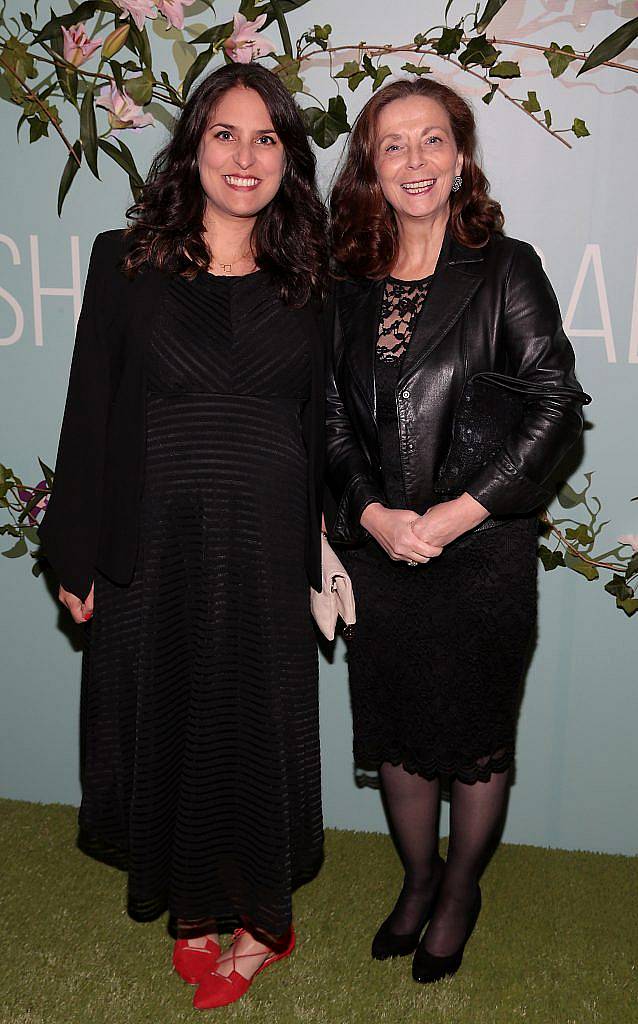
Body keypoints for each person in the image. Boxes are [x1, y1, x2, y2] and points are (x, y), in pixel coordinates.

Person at [39, 62, 328, 1010]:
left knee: (252, 722)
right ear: (193, 146)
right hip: (153, 543)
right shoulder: (128, 260)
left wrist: (334, 547)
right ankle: (193, 911)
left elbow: (329, 424)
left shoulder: (314, 275)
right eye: (225, 134)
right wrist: (73, 556)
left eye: (267, 139)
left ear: (288, 158)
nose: (244, 158)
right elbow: (89, 414)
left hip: (267, 547)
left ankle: (259, 924)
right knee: (169, 713)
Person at [326, 76, 590, 985]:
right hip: (382, 552)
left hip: (481, 551)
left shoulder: (506, 266)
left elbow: (557, 404)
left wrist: (461, 510)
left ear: (461, 153)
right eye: (392, 144)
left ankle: (462, 892)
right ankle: (418, 878)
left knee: (474, 740)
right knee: (400, 736)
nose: (414, 161)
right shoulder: (347, 279)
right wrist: (369, 515)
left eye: (431, 140)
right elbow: (325, 414)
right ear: (370, 163)